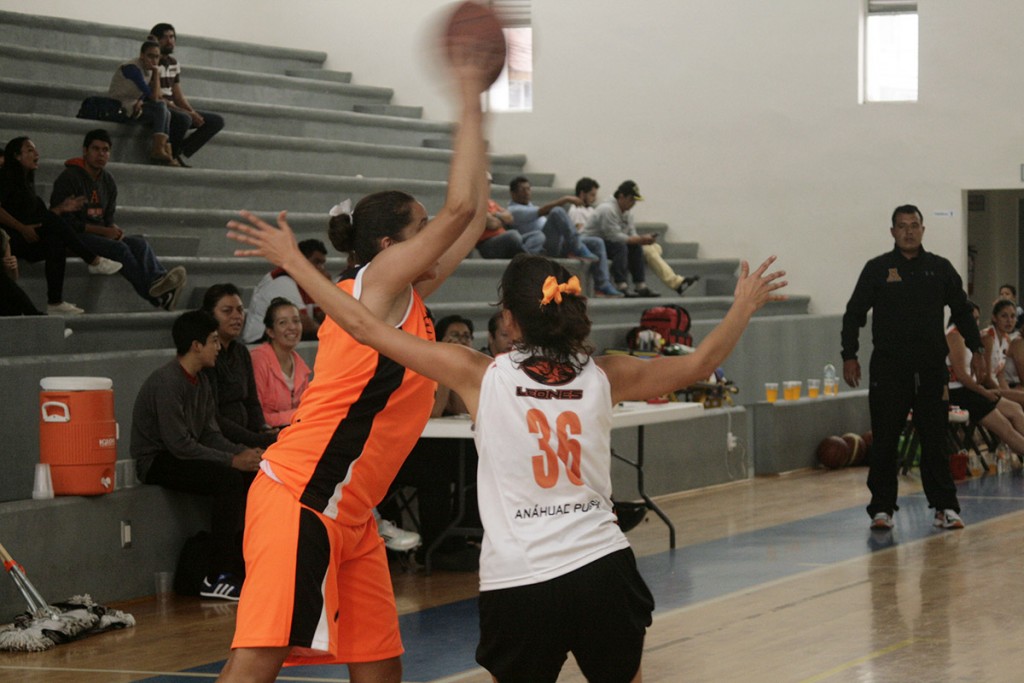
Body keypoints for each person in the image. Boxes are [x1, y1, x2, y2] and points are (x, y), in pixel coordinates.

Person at [228, 207, 785, 682]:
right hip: (601, 567)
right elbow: (702, 362)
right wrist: (743, 305)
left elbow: (365, 327)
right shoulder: (607, 374)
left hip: (521, 578)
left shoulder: (477, 373)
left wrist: (297, 263)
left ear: (510, 320)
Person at [214, 34, 496, 681]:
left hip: (352, 510)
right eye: (421, 227)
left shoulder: (408, 298)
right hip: (302, 493)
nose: (437, 233)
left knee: (380, 666)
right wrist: (464, 94)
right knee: (259, 656)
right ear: (389, 245)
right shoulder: (374, 286)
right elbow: (459, 209)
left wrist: (484, 107)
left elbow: (473, 216)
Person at [841, 204, 985, 531]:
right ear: (892, 231)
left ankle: (945, 507)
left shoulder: (940, 268)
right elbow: (853, 314)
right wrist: (849, 355)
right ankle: (882, 509)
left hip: (931, 370)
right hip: (889, 371)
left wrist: (976, 347)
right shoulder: (877, 269)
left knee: (935, 439)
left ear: (923, 229)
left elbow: (962, 311)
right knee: (886, 441)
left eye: (914, 225)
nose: (909, 231)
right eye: (902, 226)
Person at [130, 309, 263, 600]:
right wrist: (232, 461)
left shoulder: (201, 380)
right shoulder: (167, 382)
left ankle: (244, 566)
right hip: (157, 460)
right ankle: (217, 576)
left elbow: (210, 434)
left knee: (251, 476)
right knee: (228, 479)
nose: (219, 347)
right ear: (196, 345)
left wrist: (246, 454)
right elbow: (179, 445)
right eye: (214, 341)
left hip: (180, 453)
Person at [50, 129, 187, 311]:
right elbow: (65, 224)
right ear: (85, 151)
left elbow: (107, 218)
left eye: (105, 150)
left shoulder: (108, 180)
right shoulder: (69, 178)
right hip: (73, 237)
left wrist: (113, 229)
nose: (101, 154)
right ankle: (158, 295)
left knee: (139, 244)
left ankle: (159, 283)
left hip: (99, 235)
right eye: (96, 149)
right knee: (119, 248)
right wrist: (105, 232)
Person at [0, 137, 123, 315]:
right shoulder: (6, 179)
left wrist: (61, 208)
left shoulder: (26, 182)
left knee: (55, 240)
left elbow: (42, 217)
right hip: (14, 240)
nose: (37, 154)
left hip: (30, 237)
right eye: (30, 150)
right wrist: (21, 227)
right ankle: (92, 259)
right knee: (57, 225)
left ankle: (55, 302)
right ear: (17, 156)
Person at [584, 180, 698, 298]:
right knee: (621, 247)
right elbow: (613, 236)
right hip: (593, 244)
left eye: (635, 201)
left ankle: (640, 286)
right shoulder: (607, 209)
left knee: (635, 246)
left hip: (609, 243)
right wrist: (640, 239)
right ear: (621, 196)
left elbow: (632, 234)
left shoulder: (627, 213)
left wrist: (642, 240)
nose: (633, 204)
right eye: (631, 200)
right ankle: (621, 285)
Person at [201, 283, 277, 449]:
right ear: (210, 315)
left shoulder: (241, 351)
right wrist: (255, 440)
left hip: (249, 434)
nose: (237, 316)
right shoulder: (205, 355)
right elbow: (214, 417)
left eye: (240, 310)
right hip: (220, 440)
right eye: (227, 311)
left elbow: (252, 401)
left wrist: (262, 429)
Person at [946, 301, 1024, 458]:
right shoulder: (954, 336)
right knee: (1005, 427)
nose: (975, 323)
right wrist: (984, 391)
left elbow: (989, 373)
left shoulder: (968, 337)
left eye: (977, 319)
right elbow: (962, 375)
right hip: (958, 393)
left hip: (971, 390)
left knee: (1015, 410)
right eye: (972, 319)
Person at [150, 22, 226, 167]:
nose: (170, 41)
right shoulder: (151, 62)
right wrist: (188, 114)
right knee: (184, 118)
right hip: (159, 107)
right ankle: (168, 155)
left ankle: (177, 152)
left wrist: (193, 112)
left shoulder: (173, 63)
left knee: (215, 121)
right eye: (165, 38)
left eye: (172, 37)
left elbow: (178, 96)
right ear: (155, 40)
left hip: (173, 107)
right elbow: (158, 98)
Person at [242, 238, 328, 343]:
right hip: (259, 341)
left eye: (322, 263)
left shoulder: (306, 283)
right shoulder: (282, 281)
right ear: (300, 261)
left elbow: (322, 316)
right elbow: (304, 324)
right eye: (317, 262)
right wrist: (331, 333)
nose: (321, 268)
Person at [108, 39, 177, 165]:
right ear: (142, 55)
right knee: (160, 107)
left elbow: (149, 94)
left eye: (156, 57)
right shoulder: (132, 68)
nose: (153, 60)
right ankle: (157, 149)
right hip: (118, 106)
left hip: (133, 104)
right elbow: (155, 97)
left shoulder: (149, 70)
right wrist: (156, 73)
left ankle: (166, 151)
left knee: (167, 112)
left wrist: (141, 100)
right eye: (150, 56)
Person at [250, 297, 312, 429]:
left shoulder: (302, 367)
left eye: (296, 321)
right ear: (270, 331)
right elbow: (256, 416)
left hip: (294, 431)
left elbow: (308, 410)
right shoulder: (259, 359)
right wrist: (297, 415)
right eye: (283, 323)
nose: (292, 327)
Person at [507, 175, 599, 262]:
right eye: (523, 190)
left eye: (528, 189)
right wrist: (566, 199)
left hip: (557, 242)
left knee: (597, 242)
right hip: (543, 246)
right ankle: (579, 249)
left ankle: (603, 279)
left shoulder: (530, 206)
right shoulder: (513, 211)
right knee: (557, 211)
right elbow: (542, 211)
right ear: (513, 193)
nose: (527, 192)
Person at [476, 173, 525, 259]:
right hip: (487, 244)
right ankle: (530, 261)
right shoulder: (473, 203)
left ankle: (527, 259)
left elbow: (510, 218)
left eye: (489, 183)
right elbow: (492, 224)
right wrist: (501, 219)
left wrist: (494, 214)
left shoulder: (491, 202)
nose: (488, 186)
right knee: (513, 236)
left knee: (536, 236)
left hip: (503, 238)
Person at [0, 225, 42, 316]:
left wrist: (13, 267)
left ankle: (32, 315)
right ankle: (32, 313)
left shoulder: (1, 235)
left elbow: (12, 279)